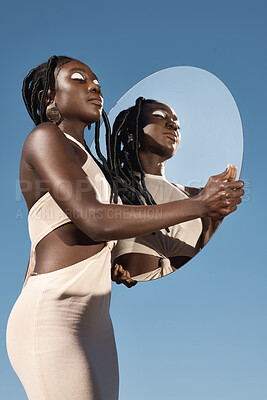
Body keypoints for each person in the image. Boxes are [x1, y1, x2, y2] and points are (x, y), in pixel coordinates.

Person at [6, 58, 243, 400]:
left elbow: (98, 229)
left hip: (97, 325)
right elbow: (93, 218)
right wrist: (198, 204)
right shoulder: (45, 138)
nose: (94, 85)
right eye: (79, 78)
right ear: (49, 98)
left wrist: (115, 262)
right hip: (52, 315)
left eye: (97, 80)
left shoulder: (96, 167)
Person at [110, 97, 242, 283]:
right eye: (159, 116)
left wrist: (216, 220)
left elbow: (208, 254)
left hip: (188, 293)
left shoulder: (196, 194)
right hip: (139, 301)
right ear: (131, 131)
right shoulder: (111, 185)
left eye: (177, 124)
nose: (173, 125)